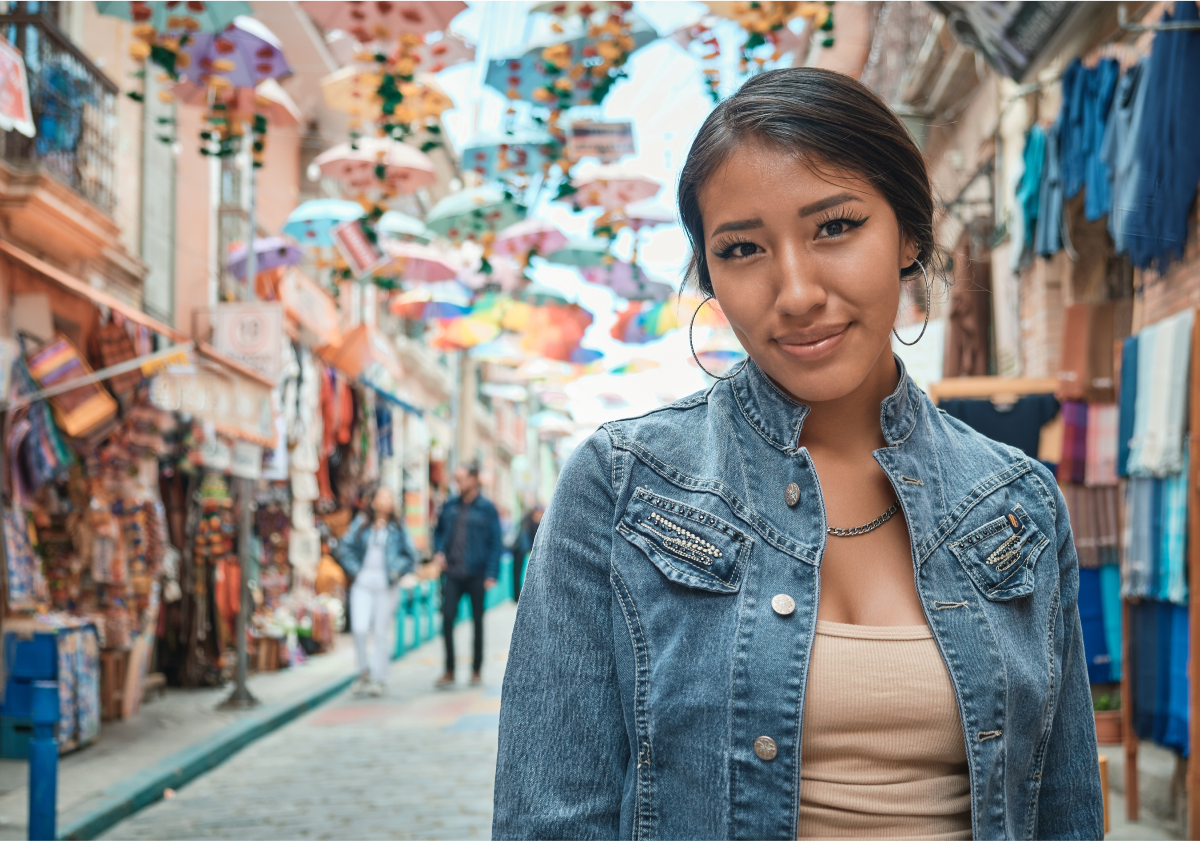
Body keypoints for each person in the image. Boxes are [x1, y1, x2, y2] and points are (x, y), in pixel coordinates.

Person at [493, 68, 1102, 840]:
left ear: (909, 233)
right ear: (710, 273)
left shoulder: (1017, 504)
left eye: (835, 227)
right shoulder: (621, 488)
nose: (796, 290)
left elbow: (1065, 812)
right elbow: (553, 816)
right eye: (743, 247)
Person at [337, 486, 417, 697]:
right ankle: (362, 672)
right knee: (360, 628)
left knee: (381, 631)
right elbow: (344, 548)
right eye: (380, 497)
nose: (384, 501)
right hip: (363, 583)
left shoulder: (398, 528)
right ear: (373, 501)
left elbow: (412, 556)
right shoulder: (361, 524)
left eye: (388, 497)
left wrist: (397, 572)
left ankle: (379, 678)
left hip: (386, 585)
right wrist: (356, 571)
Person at [432, 463, 502, 687]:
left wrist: (491, 573)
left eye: (460, 479)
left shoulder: (487, 508)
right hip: (452, 572)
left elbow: (495, 542)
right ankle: (449, 670)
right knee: (447, 619)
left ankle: (476, 670)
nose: (457, 484)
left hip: (477, 573)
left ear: (473, 480)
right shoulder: (449, 505)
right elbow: (438, 532)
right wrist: (439, 551)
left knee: (477, 622)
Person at [509, 504, 543, 603]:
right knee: (520, 573)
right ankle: (518, 596)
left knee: (517, 573)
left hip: (519, 549)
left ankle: (516, 596)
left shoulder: (525, 521)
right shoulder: (532, 522)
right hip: (522, 550)